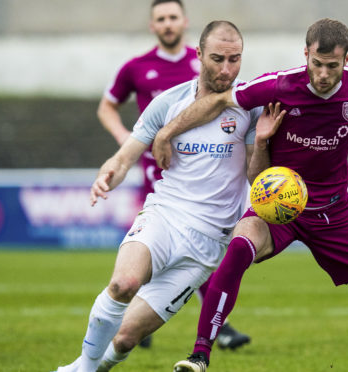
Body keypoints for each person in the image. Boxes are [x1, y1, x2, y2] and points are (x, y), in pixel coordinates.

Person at [154, 18, 348, 372]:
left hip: (335, 213)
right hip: (280, 206)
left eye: (332, 66)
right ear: (306, 55)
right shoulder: (279, 85)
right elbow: (220, 102)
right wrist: (166, 133)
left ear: (347, 59)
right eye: (316, 64)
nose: (323, 75)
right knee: (239, 246)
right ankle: (200, 355)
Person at [52, 20, 280, 372]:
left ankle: (88, 367)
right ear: (199, 54)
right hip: (164, 216)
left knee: (126, 338)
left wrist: (262, 141)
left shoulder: (249, 110)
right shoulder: (167, 103)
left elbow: (254, 178)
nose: (226, 69)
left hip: (206, 246)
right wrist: (108, 173)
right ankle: (82, 369)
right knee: (123, 283)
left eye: (235, 59)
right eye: (217, 58)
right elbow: (125, 156)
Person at [97, 0, 250, 350]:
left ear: (185, 23)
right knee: (151, 248)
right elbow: (107, 106)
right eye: (161, 19)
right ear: (152, 25)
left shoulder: (207, 64)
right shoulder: (136, 68)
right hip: (158, 174)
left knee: (195, 245)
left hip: (201, 171)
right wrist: (126, 140)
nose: (167, 24)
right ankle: (144, 314)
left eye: (173, 18)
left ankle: (208, 323)